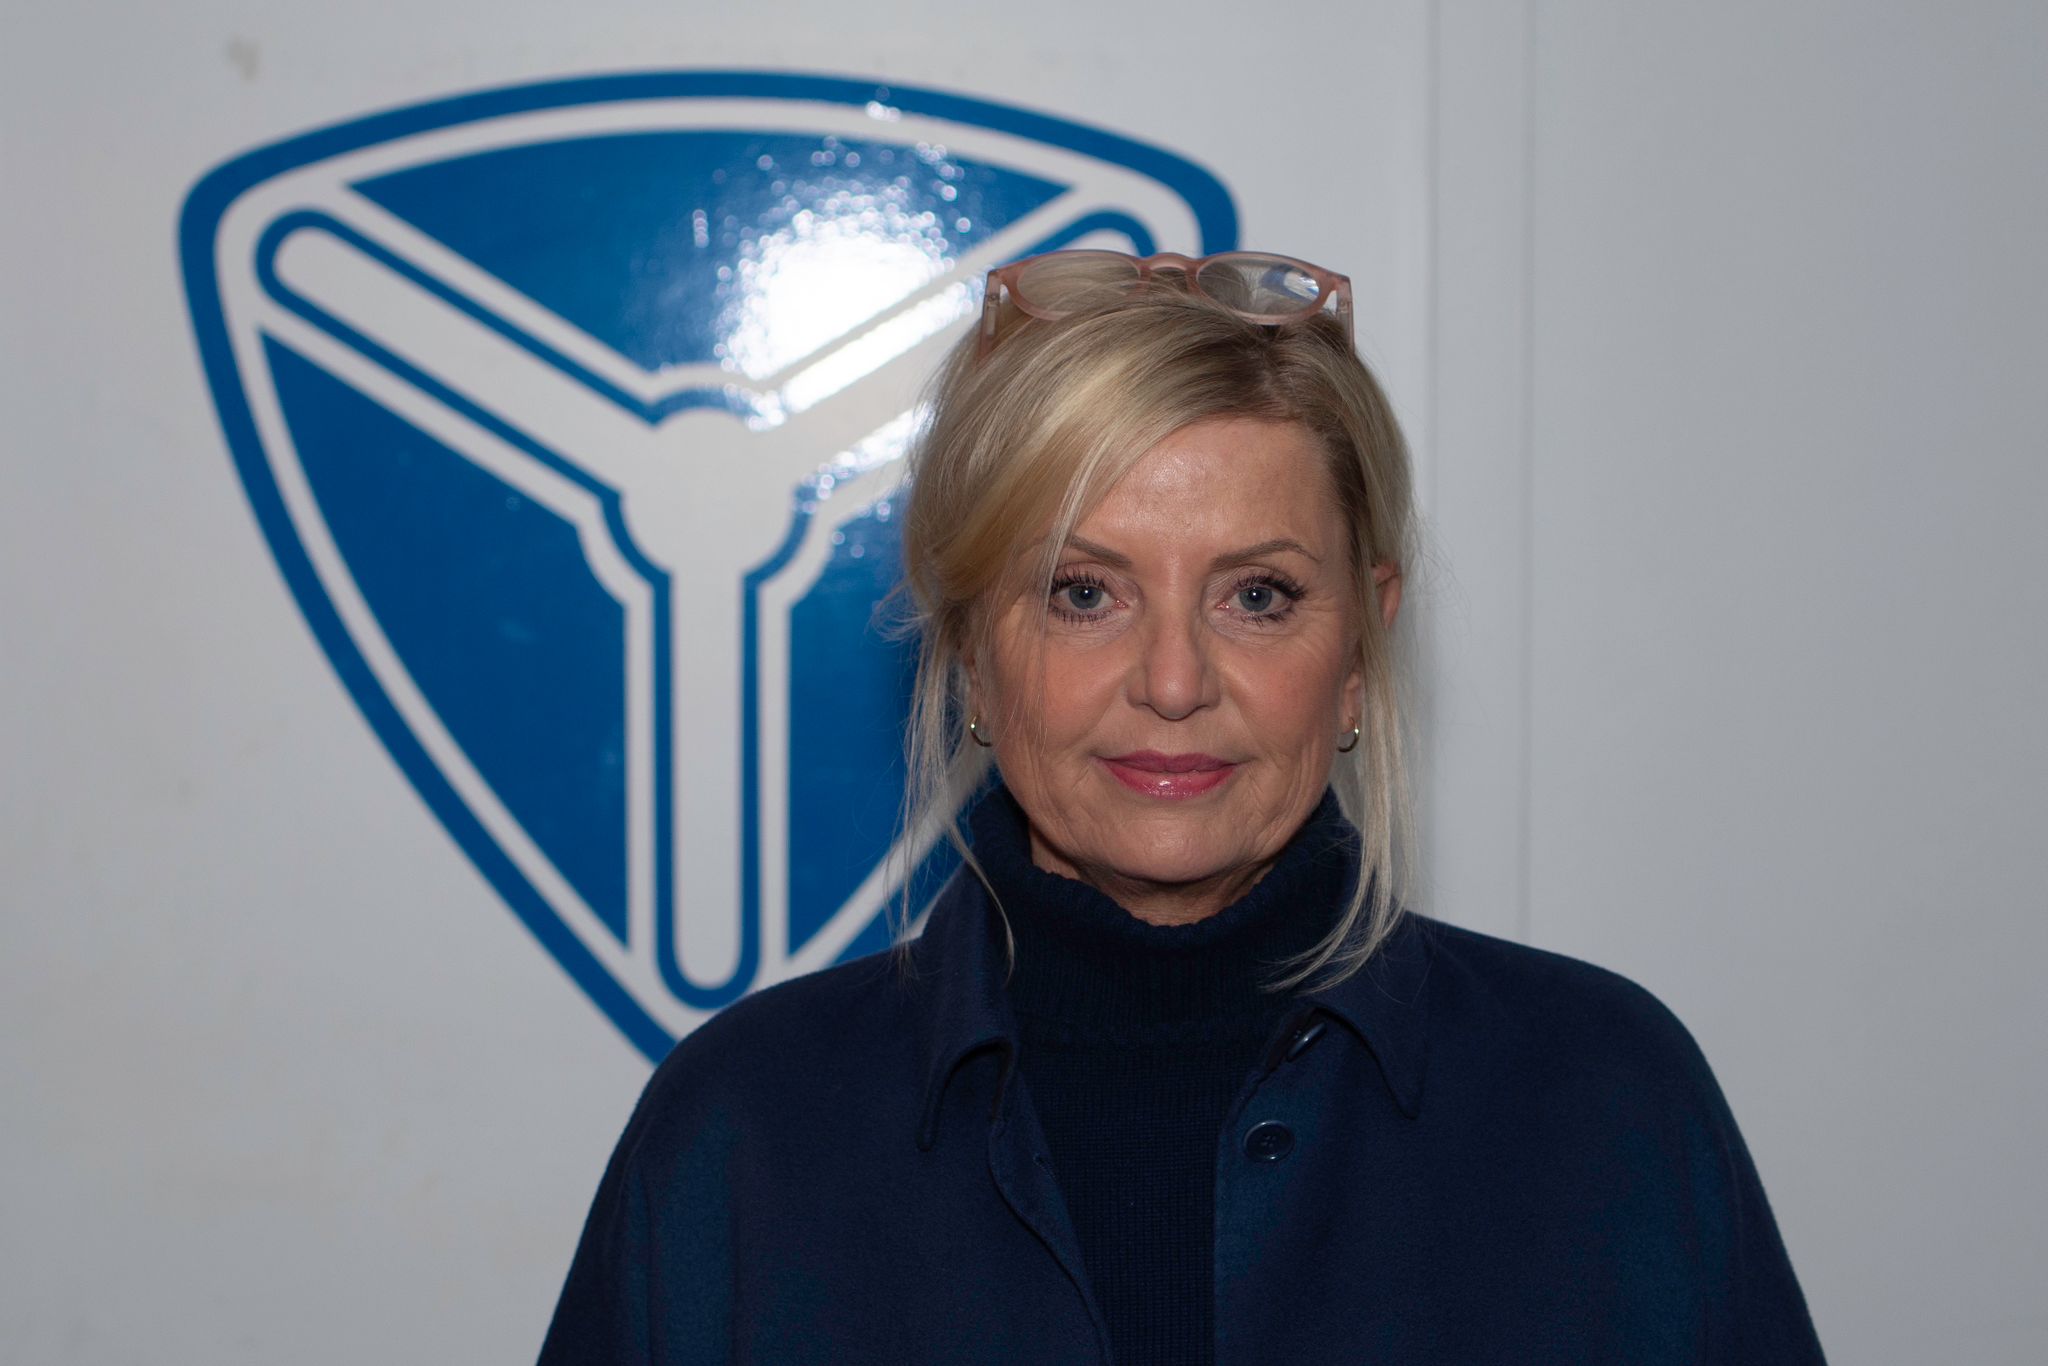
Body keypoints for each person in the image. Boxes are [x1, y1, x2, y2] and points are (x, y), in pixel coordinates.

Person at [536, 250, 1826, 1364]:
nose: (1171, 682)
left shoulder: (1604, 1102)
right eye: (1083, 592)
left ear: (1359, 651)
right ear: (972, 649)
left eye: (1256, 596)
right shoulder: (742, 1138)